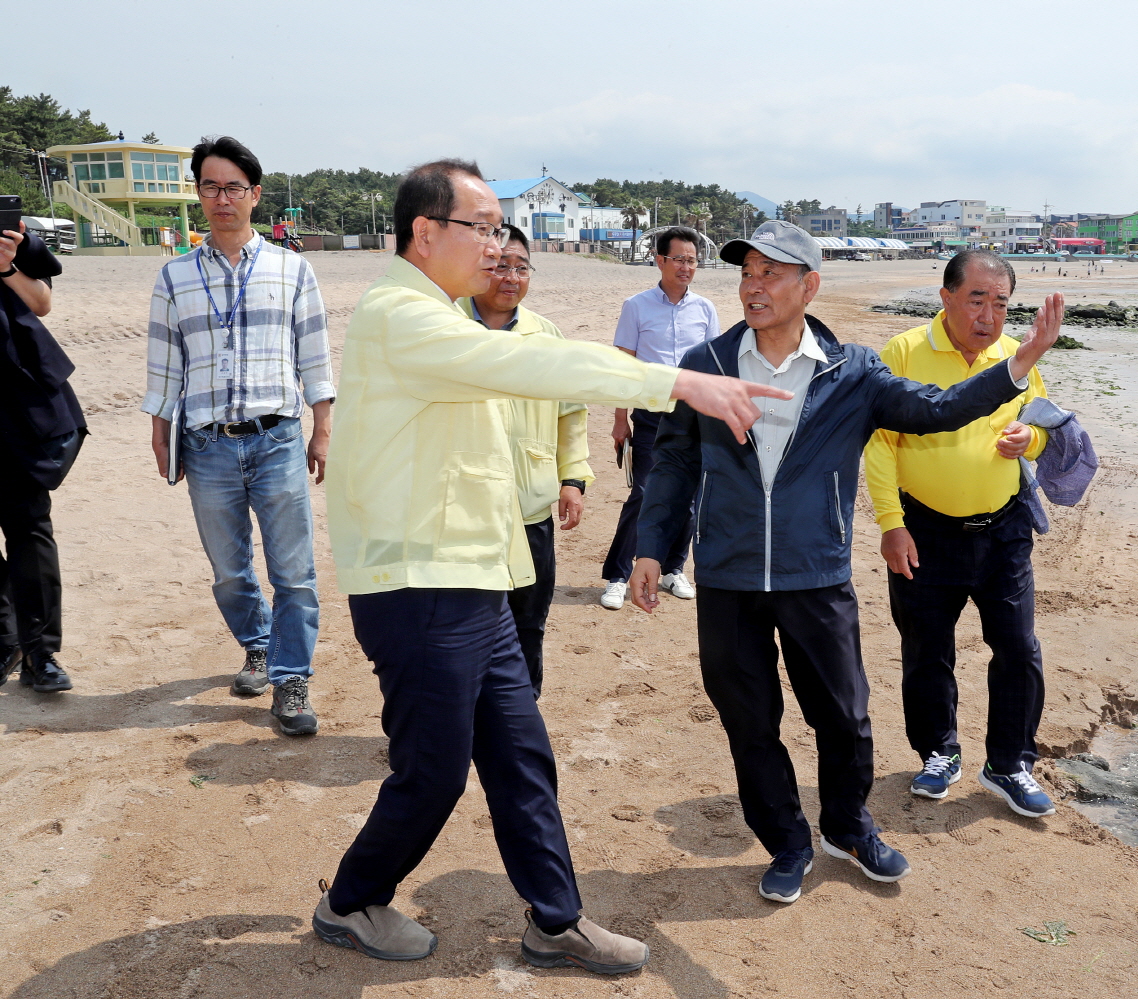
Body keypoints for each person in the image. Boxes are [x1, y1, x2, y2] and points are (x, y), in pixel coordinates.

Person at [314, 159, 788, 971]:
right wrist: (680, 383)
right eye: (484, 226)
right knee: (432, 773)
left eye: (502, 228)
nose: (498, 245)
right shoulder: (402, 315)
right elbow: (536, 367)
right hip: (419, 582)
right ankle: (352, 899)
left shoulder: (441, 313)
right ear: (427, 232)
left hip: (474, 580)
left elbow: (523, 394)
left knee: (520, 753)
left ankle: (555, 919)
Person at [628, 221, 1061, 907]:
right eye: (748, 271)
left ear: (810, 286)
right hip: (728, 575)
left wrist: (1018, 364)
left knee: (846, 716)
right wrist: (653, 547)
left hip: (816, 575)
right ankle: (788, 842)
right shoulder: (706, 362)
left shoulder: (852, 371)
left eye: (774, 273)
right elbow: (677, 461)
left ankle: (849, 827)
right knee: (749, 719)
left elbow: (939, 409)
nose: (755, 284)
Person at [865, 249, 1069, 819]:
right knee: (927, 652)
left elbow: (1044, 431)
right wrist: (891, 525)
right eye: (976, 299)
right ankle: (938, 752)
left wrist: (1027, 442)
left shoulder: (1017, 357)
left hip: (1004, 530)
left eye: (1000, 303)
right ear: (947, 297)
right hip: (923, 530)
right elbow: (879, 445)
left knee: (1019, 649)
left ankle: (1008, 763)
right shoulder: (904, 352)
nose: (989, 315)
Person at [142, 135, 331, 736]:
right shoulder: (174, 276)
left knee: (294, 572)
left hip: (276, 438)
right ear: (199, 193)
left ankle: (291, 678)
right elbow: (164, 364)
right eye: (210, 186)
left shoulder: (292, 268)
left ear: (254, 195)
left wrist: (322, 427)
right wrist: (159, 431)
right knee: (229, 570)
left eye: (234, 187)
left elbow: (316, 358)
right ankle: (256, 645)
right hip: (206, 444)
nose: (222, 198)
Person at [457, 225, 588, 697]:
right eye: (499, 265)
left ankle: (520, 713)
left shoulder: (546, 336)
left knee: (528, 621)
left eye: (521, 267)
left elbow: (571, 413)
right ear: (479, 267)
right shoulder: (446, 327)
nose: (510, 276)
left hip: (529, 509)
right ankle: (462, 716)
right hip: (460, 511)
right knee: (461, 626)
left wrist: (572, 478)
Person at [599, 226, 720, 610]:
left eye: (692, 261)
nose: (686, 267)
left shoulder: (705, 309)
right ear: (660, 259)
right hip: (651, 414)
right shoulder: (636, 306)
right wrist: (621, 421)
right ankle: (617, 575)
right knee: (645, 493)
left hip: (695, 415)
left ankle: (672, 568)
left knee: (688, 497)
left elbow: (714, 367)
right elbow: (623, 366)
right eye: (679, 259)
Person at [0, 220, 85, 693]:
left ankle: (40, 652)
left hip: (15, 407)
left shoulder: (11, 235)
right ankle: (5, 639)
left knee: (29, 529)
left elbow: (42, 303)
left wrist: (7, 267)